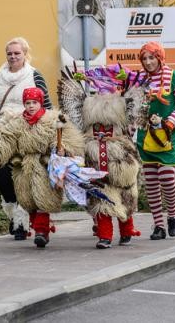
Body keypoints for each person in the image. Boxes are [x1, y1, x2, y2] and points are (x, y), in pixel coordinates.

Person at [0, 87, 85, 248]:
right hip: (23, 166)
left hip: (44, 165)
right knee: (27, 200)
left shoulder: (52, 120)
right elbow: (4, 137)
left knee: (43, 199)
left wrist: (62, 149)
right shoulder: (17, 122)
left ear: (41, 103)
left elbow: (65, 137)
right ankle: (39, 227)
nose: (31, 106)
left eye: (34, 102)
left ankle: (42, 232)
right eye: (28, 103)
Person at [57, 66, 142, 249]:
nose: (103, 90)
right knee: (99, 197)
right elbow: (74, 124)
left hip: (120, 155)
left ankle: (126, 231)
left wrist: (132, 83)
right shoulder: (86, 105)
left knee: (125, 194)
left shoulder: (123, 104)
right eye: (99, 85)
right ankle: (105, 236)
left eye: (107, 84)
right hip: (93, 153)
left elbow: (139, 96)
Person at [0, 37, 53, 240]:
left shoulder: (34, 75)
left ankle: (22, 223)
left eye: (17, 53)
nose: (13, 57)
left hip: (28, 129)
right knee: (2, 175)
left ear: (25, 54)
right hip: (4, 130)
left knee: (23, 175)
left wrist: (50, 129)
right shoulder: (0, 75)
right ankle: (13, 214)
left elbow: (46, 103)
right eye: (9, 53)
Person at [136, 41, 175, 240]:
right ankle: (159, 226)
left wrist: (171, 122)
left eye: (152, 57)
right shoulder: (139, 80)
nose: (148, 62)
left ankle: (172, 216)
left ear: (160, 57)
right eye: (144, 59)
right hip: (147, 136)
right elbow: (134, 108)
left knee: (167, 178)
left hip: (169, 135)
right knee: (151, 181)